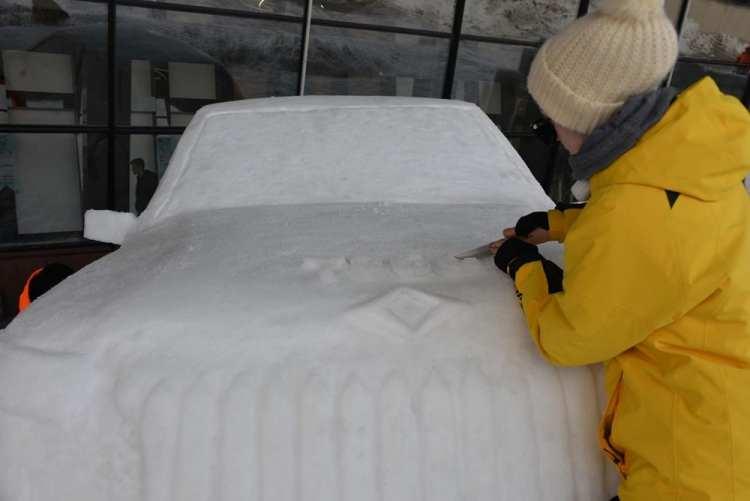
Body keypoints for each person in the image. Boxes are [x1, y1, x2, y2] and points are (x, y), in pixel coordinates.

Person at [491, 0, 750, 500]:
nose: (553, 134)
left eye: (554, 120)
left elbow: (571, 338)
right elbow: (673, 230)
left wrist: (524, 268)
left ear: (591, 119)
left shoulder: (633, 213)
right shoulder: (692, 163)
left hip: (694, 466)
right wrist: (564, 223)